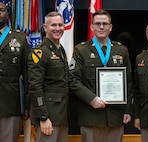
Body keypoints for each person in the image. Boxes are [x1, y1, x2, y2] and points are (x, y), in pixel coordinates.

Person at [69, 9, 133, 142]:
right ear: (92, 27)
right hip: (90, 116)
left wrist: (127, 110)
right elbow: (73, 80)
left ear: (111, 27)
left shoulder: (121, 50)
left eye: (105, 23)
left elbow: (128, 82)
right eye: (98, 23)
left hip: (115, 116)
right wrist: (92, 99)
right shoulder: (81, 50)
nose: (101, 27)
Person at [28, 11, 69, 142]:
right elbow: (35, 86)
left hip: (61, 116)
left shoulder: (60, 49)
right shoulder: (40, 51)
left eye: (61, 25)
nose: (58, 29)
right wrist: (43, 117)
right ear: (45, 27)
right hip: (48, 117)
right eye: (53, 25)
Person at [0, 1, 31, 142]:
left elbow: (28, 73)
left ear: (7, 14)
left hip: (11, 103)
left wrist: (27, 105)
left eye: (1, 10)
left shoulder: (20, 38)